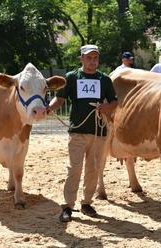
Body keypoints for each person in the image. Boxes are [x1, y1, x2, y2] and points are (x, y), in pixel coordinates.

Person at [48, 44, 118, 222]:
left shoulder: (104, 80)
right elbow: (60, 98)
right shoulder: (71, 77)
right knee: (74, 168)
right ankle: (67, 206)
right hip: (77, 131)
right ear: (81, 58)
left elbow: (114, 102)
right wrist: (48, 108)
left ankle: (86, 203)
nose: (92, 61)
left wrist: (105, 107)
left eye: (95, 58)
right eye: (89, 57)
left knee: (93, 168)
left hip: (98, 131)